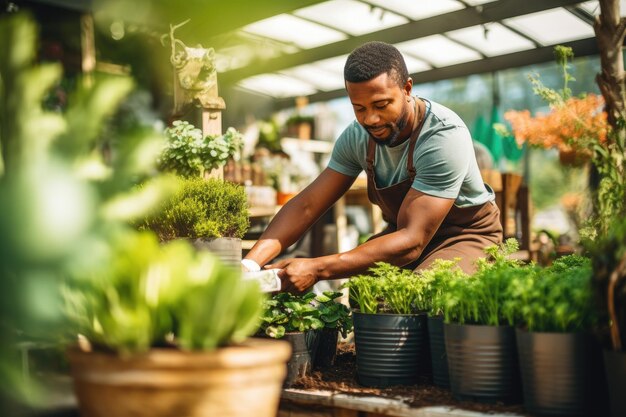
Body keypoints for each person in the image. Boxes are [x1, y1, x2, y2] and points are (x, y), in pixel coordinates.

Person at [242, 41, 502, 293]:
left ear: (407, 88)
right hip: (402, 234)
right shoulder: (356, 137)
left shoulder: (442, 136)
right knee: (363, 292)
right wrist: (249, 264)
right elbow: (307, 204)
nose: (370, 119)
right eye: (359, 108)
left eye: (381, 105)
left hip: (464, 235)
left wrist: (318, 268)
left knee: (425, 292)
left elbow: (412, 241)